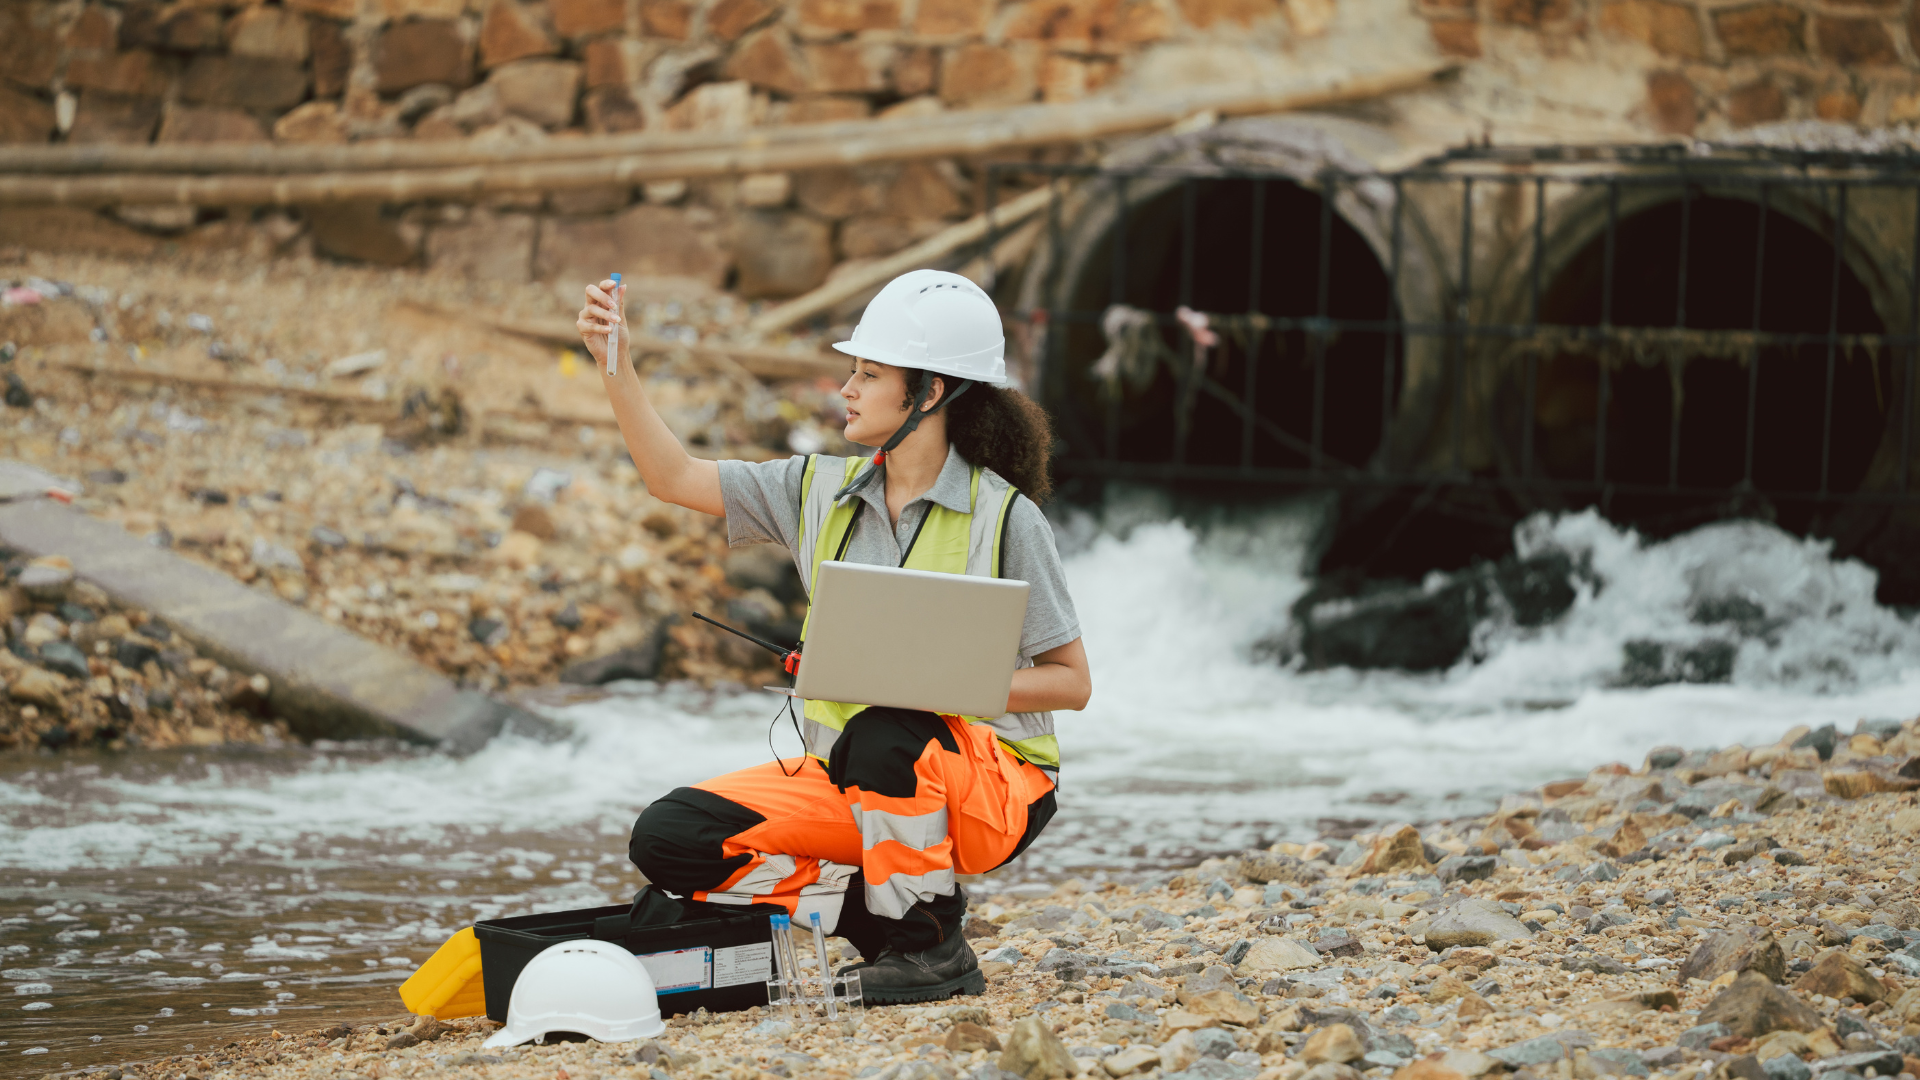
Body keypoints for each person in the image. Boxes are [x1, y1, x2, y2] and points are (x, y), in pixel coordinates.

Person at [575, 269, 1091, 1004]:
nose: (846, 388)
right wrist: (615, 363)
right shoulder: (813, 489)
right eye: (852, 371)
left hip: (991, 790)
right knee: (669, 836)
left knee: (889, 728)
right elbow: (672, 476)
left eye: (869, 373)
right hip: (852, 778)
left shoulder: (1008, 519)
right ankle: (870, 916)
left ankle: (931, 948)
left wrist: (935, 687)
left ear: (930, 392)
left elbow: (1072, 683)